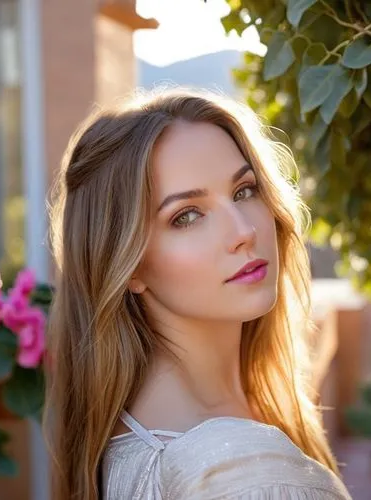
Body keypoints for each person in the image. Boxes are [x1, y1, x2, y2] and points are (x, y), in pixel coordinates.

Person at [44, 88, 352, 500]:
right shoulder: (242, 476)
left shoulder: (133, 434)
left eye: (244, 190)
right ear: (129, 265)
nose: (244, 232)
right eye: (186, 216)